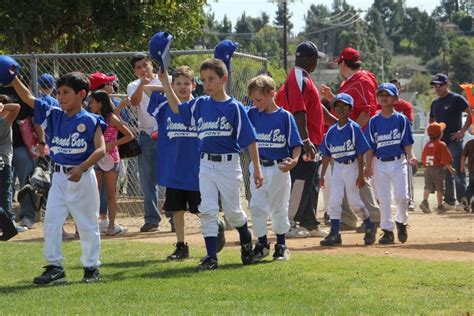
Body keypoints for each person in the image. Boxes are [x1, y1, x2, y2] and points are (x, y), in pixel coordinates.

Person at [159, 58, 263, 270]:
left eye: (212, 79)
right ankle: (211, 256)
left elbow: (250, 140)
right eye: (204, 79)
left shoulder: (234, 107)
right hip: (205, 164)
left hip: (228, 164)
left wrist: (257, 170)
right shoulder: (200, 104)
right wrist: (166, 84)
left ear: (223, 79)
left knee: (233, 214)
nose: (207, 84)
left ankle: (245, 240)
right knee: (207, 209)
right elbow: (178, 109)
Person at [12, 72, 106, 284]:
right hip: (58, 177)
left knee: (87, 224)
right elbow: (27, 97)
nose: (61, 96)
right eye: (59, 92)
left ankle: (91, 267)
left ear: (82, 94)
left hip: (82, 177)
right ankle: (55, 268)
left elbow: (101, 150)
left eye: (66, 92)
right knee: (52, 222)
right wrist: (14, 78)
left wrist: (82, 167)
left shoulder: (91, 120)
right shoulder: (54, 114)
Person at [147, 66, 226, 260]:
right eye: (178, 84)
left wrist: (169, 87)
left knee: (200, 208)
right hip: (174, 168)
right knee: (177, 210)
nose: (182, 87)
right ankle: (181, 245)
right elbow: (148, 88)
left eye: (186, 84)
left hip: (197, 169)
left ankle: (216, 226)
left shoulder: (200, 106)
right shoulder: (164, 105)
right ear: (172, 85)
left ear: (194, 85)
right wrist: (167, 88)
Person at [275, 41, 336, 238]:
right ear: (311, 59)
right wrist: (305, 140)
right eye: (316, 59)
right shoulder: (298, 78)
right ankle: (289, 224)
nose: (316, 62)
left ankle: (309, 222)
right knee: (300, 181)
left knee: (312, 181)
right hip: (302, 141)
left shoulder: (304, 78)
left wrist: (338, 123)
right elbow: (299, 112)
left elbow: (317, 107)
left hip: (312, 140)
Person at [320, 47, 380, 232]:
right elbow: (349, 106)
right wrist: (332, 98)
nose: (339, 67)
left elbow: (368, 109)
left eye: (340, 63)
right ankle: (346, 219)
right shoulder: (352, 81)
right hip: (343, 137)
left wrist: (354, 134)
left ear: (345, 63)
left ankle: (374, 216)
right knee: (341, 175)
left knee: (356, 176)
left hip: (354, 137)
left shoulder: (362, 80)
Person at [247, 75, 303, 261]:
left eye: (259, 99)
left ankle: (281, 244)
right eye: (253, 100)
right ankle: (262, 243)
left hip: (279, 168)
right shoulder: (252, 114)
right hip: (258, 166)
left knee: (279, 208)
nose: (256, 103)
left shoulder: (284, 117)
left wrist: (294, 161)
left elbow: (296, 144)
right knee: (256, 206)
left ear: (272, 93)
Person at [319, 93, 377, 246]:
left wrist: (360, 174)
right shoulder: (331, 131)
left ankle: (370, 225)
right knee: (334, 200)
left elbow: (359, 152)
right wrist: (323, 175)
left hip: (351, 166)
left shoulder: (353, 128)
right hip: (337, 167)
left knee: (354, 202)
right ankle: (334, 233)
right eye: (337, 106)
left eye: (344, 106)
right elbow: (326, 154)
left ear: (350, 109)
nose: (340, 109)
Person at [364, 83, 417, 245]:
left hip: (398, 161)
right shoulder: (373, 121)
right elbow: (370, 146)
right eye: (381, 94)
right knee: (383, 198)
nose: (384, 97)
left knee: (403, 196)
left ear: (395, 99)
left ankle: (401, 222)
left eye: (388, 95)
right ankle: (387, 230)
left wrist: (411, 156)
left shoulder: (401, 119)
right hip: (380, 163)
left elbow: (407, 142)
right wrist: (368, 165)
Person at [0, 77, 43, 230]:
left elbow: (35, 119)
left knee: (25, 183)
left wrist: (42, 141)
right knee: (6, 187)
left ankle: (28, 216)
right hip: (5, 149)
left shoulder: (22, 93)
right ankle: (6, 220)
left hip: (21, 145)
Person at [88, 90, 133, 235]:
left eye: (93, 102)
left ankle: (112, 226)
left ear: (100, 103)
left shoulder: (111, 118)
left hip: (111, 159)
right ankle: (95, 224)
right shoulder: (92, 118)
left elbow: (129, 135)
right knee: (95, 192)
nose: (90, 105)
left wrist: (113, 143)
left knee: (111, 194)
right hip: (96, 158)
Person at [126, 53, 162, 232]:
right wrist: (142, 82)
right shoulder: (133, 85)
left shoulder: (165, 79)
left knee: (170, 177)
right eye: (138, 67)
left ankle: (173, 217)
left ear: (152, 65)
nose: (142, 69)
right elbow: (134, 102)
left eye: (145, 65)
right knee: (148, 180)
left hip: (166, 134)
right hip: (146, 135)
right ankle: (152, 219)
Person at [429, 73, 470, 211]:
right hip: (441, 143)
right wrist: (433, 137)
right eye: (435, 85)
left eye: (440, 85)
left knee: (458, 171)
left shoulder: (456, 99)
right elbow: (432, 120)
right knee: (447, 172)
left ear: (447, 84)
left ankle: (463, 201)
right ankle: (450, 201)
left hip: (454, 140)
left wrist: (462, 131)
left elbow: (470, 112)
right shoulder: (435, 103)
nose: (437, 88)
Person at [419, 122, 456, 214]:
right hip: (438, 169)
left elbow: (423, 157)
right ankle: (440, 206)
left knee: (427, 186)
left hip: (427, 168)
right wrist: (451, 169)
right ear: (440, 134)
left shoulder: (428, 144)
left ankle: (425, 201)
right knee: (440, 188)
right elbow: (445, 159)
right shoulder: (441, 144)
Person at [0, 97, 21, 241]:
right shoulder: (5, 121)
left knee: (6, 194)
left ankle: (7, 226)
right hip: (4, 162)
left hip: (3, 161)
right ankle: (8, 225)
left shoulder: (4, 122)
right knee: (5, 194)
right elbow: (16, 107)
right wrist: (3, 106)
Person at [460, 139, 474, 213]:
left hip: (471, 170)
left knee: (471, 186)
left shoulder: (469, 143)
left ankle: (466, 198)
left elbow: (463, 156)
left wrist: (462, 167)